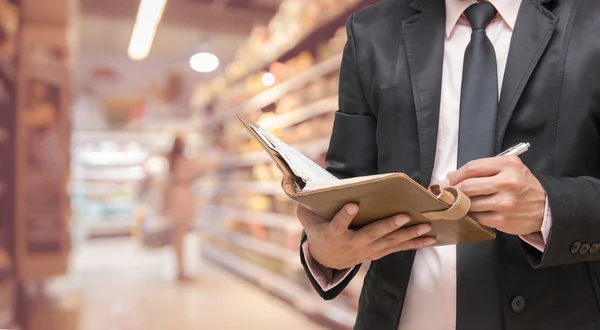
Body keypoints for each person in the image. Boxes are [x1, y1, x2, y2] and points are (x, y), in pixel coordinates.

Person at [296, 0, 600, 329]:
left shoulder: (591, 21)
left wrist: (549, 207)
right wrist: (326, 251)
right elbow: (344, 185)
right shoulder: (370, 32)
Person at [164, 135, 219, 281]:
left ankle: (180, 269)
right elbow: (208, 165)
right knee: (180, 235)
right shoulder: (184, 162)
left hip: (175, 196)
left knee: (178, 235)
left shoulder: (172, 161)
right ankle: (181, 271)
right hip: (182, 197)